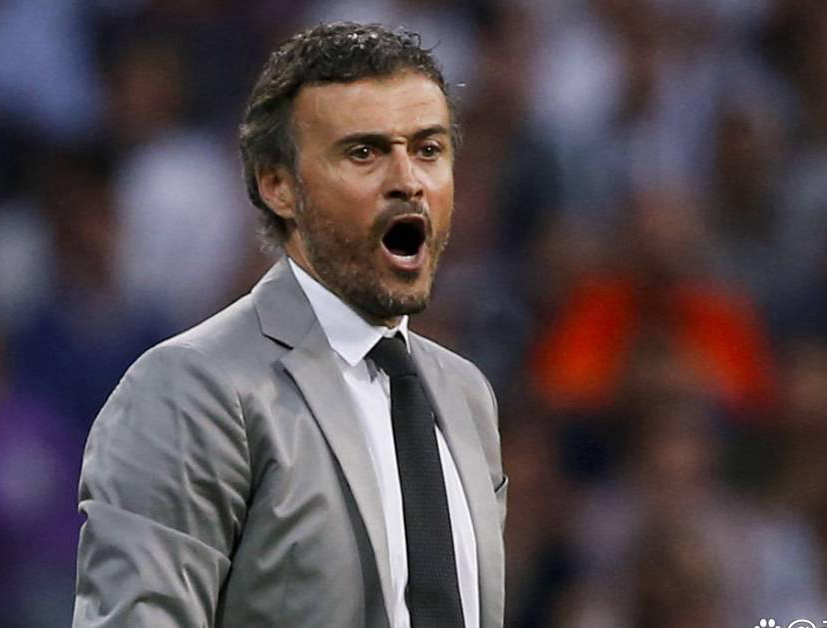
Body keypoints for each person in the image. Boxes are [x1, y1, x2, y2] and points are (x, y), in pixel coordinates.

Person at [71, 22, 507, 628]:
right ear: (278, 186)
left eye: (428, 150)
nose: (408, 181)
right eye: (364, 153)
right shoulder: (193, 390)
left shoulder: (466, 398)